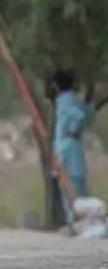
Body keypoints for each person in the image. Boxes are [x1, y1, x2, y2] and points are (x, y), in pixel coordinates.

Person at [51, 69, 93, 232]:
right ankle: (85, 220)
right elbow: (87, 114)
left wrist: (74, 128)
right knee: (79, 183)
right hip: (74, 146)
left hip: (65, 146)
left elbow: (79, 116)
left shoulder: (63, 101)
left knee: (68, 184)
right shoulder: (75, 99)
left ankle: (74, 222)